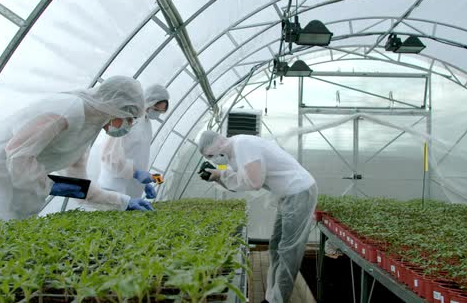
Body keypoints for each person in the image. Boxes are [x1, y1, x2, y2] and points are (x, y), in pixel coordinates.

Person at [0, 76, 152, 224]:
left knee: (8, 255)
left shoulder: (88, 129)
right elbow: (17, 154)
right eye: (129, 117)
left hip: (17, 191)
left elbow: (78, 185)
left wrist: (123, 202)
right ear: (115, 107)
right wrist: (47, 185)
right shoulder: (68, 109)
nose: (128, 124)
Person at [198, 130, 317, 303]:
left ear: (218, 145)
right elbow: (235, 177)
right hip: (287, 195)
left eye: (211, 155)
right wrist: (217, 176)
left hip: (300, 192)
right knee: (276, 246)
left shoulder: (243, 145)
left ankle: (278, 300)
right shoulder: (234, 153)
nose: (214, 160)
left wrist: (219, 174)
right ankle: (271, 297)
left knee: (289, 250)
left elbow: (254, 182)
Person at [99, 84, 170, 203]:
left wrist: (143, 183)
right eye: (156, 109)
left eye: (161, 112)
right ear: (147, 102)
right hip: (115, 186)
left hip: (132, 188)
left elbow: (138, 155)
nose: (157, 114)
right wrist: (136, 174)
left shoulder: (147, 123)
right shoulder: (127, 119)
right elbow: (109, 156)